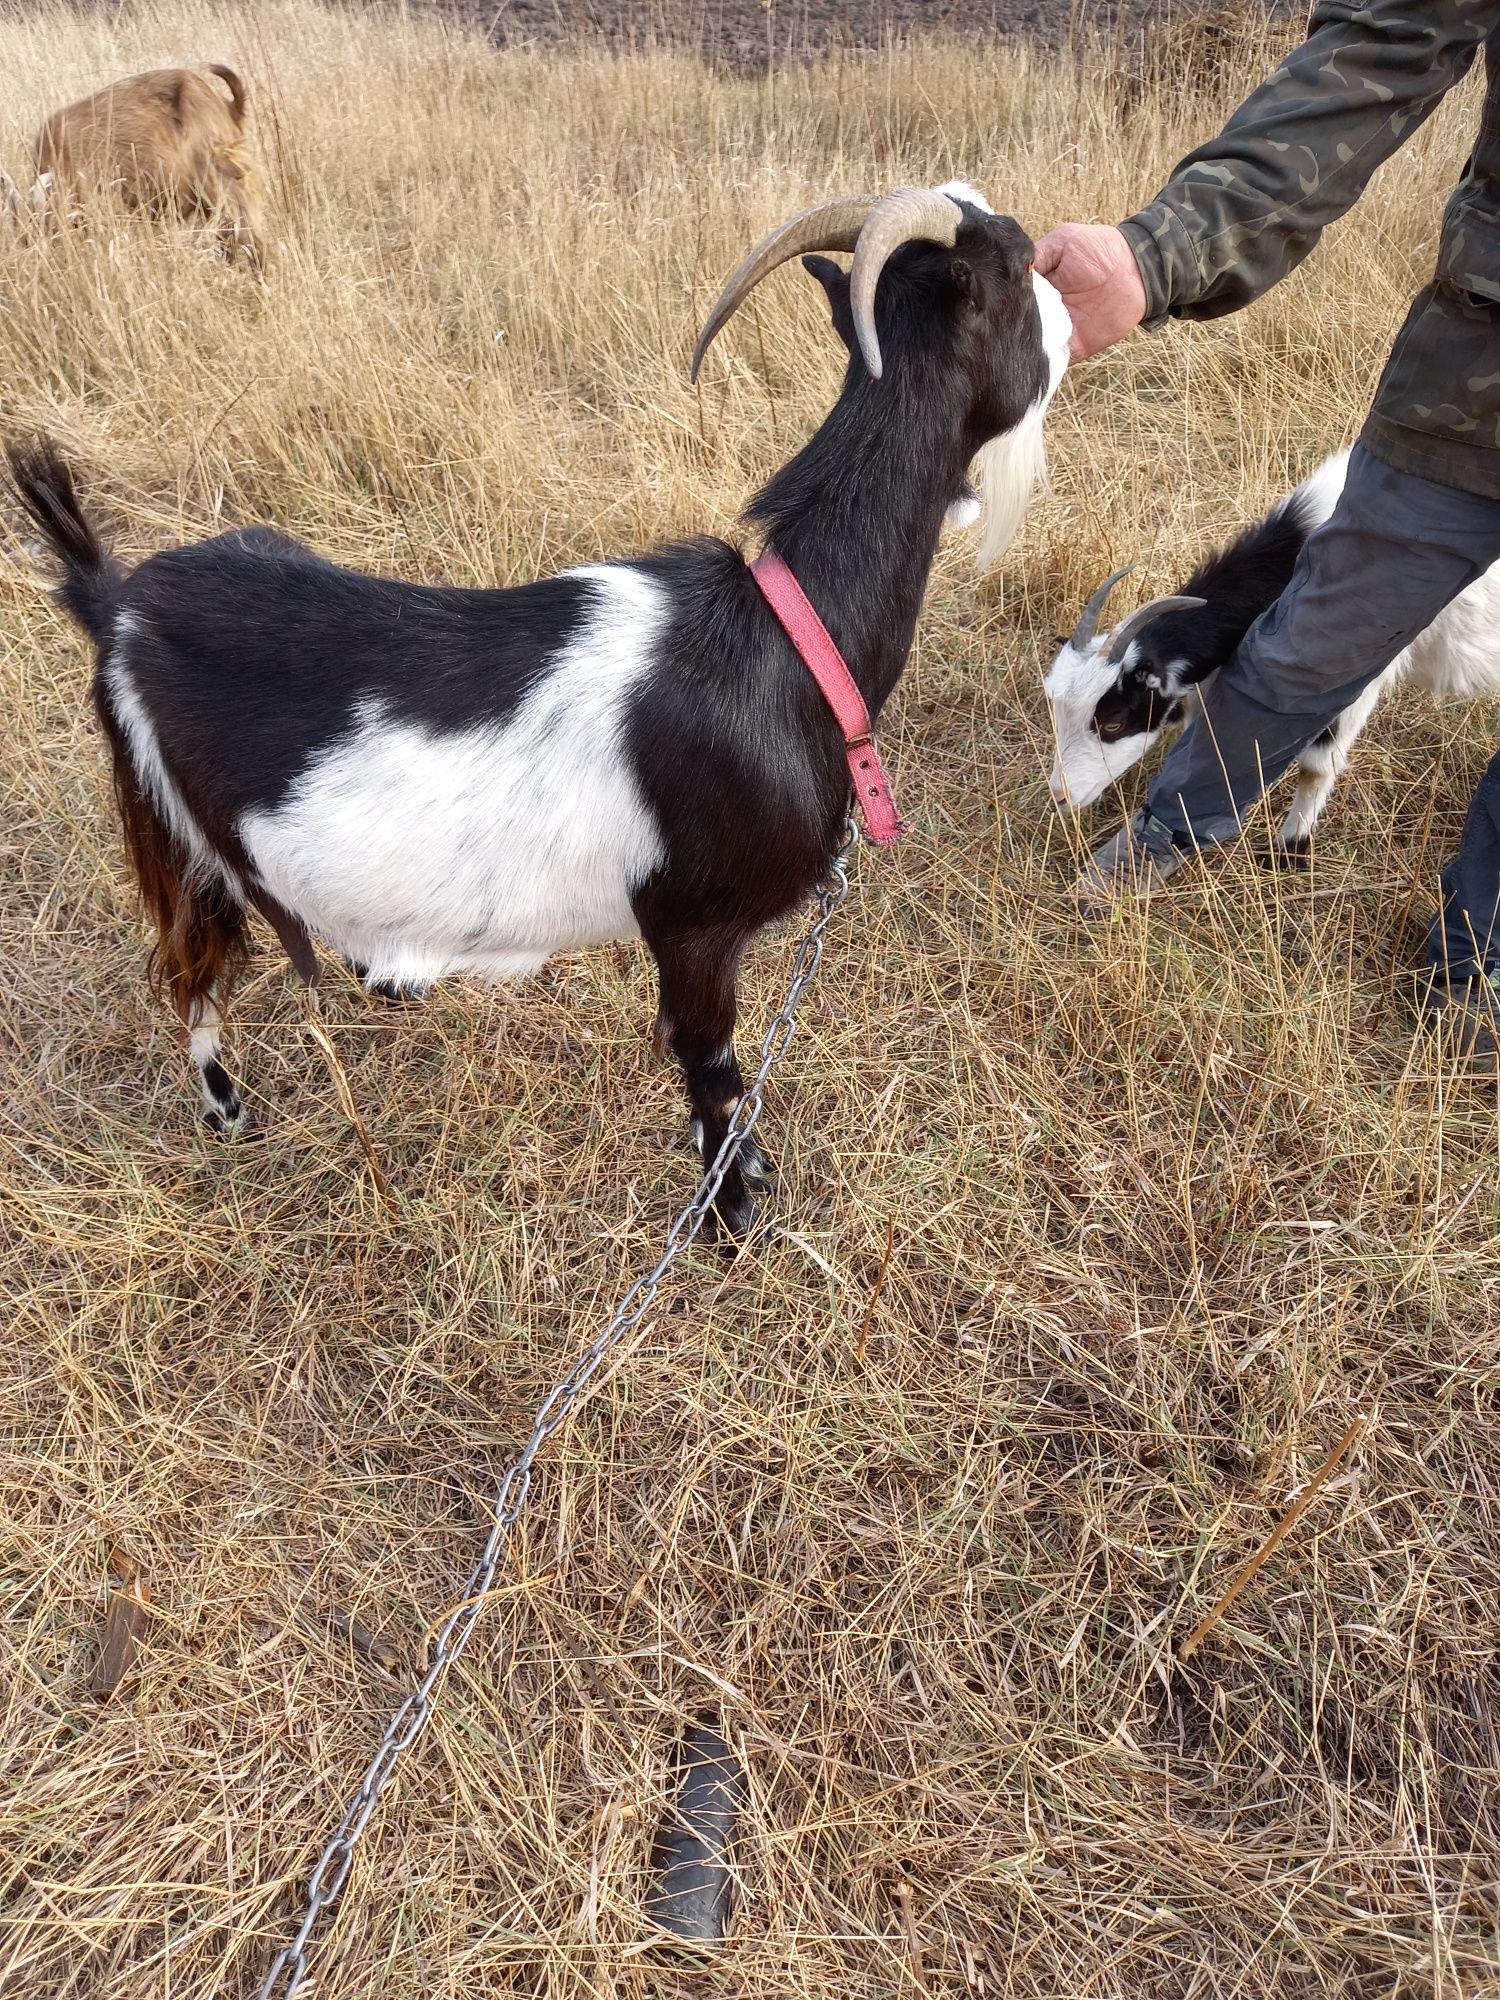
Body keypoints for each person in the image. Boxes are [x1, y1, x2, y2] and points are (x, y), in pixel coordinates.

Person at [1036, 2, 1500, 1059]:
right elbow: (1373, 54)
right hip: (1474, 396)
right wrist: (1161, 253)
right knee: (1310, 638)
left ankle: (1477, 965)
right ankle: (1166, 830)